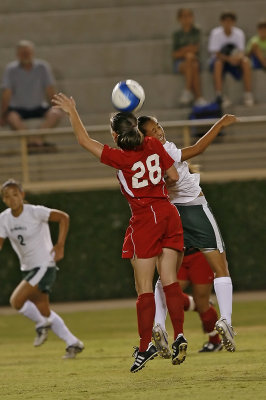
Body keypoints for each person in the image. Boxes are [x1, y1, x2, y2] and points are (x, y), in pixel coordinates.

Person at [52, 93, 186, 373]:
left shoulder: (119, 157)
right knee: (171, 280)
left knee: (144, 287)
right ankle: (180, 336)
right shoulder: (151, 143)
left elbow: (83, 141)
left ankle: (145, 345)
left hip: (145, 218)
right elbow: (173, 177)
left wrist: (72, 112)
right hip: (168, 212)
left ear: (115, 135)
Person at [138, 113, 238, 354]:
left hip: (169, 213)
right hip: (194, 209)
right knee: (221, 268)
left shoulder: (143, 156)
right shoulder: (164, 151)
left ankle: (159, 325)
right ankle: (225, 320)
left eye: (158, 126)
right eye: (153, 130)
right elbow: (199, 148)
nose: (159, 131)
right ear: (145, 137)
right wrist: (220, 124)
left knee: (166, 275)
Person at [0, 179, 84, 359]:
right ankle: (73, 343)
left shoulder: (34, 212)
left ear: (22, 194)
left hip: (44, 265)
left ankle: (41, 325)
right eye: (7, 196)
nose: (12, 199)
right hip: (28, 268)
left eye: (15, 194)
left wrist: (60, 245)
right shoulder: (4, 218)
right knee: (44, 310)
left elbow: (63, 217)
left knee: (16, 301)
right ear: (4, 200)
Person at [154, 248, 222, 356]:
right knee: (168, 293)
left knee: (202, 304)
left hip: (199, 254)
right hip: (176, 254)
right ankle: (177, 334)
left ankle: (215, 341)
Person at [0, 40, 62, 152]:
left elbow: (50, 90)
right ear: (17, 54)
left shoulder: (43, 67)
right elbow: (6, 94)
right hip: (18, 108)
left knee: (56, 113)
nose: (26, 55)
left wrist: (57, 106)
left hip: (39, 106)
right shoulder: (11, 69)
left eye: (27, 52)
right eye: (23, 53)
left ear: (32, 53)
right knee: (12, 117)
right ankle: (34, 142)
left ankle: (35, 141)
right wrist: (3, 114)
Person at [208, 11, 254, 107]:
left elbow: (241, 52)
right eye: (225, 21)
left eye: (230, 21)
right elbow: (216, 53)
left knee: (246, 61)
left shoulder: (239, 33)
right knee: (218, 63)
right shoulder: (215, 33)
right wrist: (229, 59)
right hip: (221, 61)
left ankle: (248, 94)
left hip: (234, 61)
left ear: (234, 22)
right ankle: (219, 95)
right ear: (221, 22)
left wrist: (237, 58)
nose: (227, 23)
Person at [172, 8, 207, 107]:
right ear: (179, 19)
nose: (187, 19)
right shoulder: (176, 34)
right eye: (184, 16)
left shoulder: (196, 31)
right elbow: (175, 54)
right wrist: (188, 50)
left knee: (192, 62)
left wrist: (183, 50)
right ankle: (199, 97)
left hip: (194, 60)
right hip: (179, 63)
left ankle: (187, 91)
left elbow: (196, 48)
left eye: (189, 16)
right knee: (191, 61)